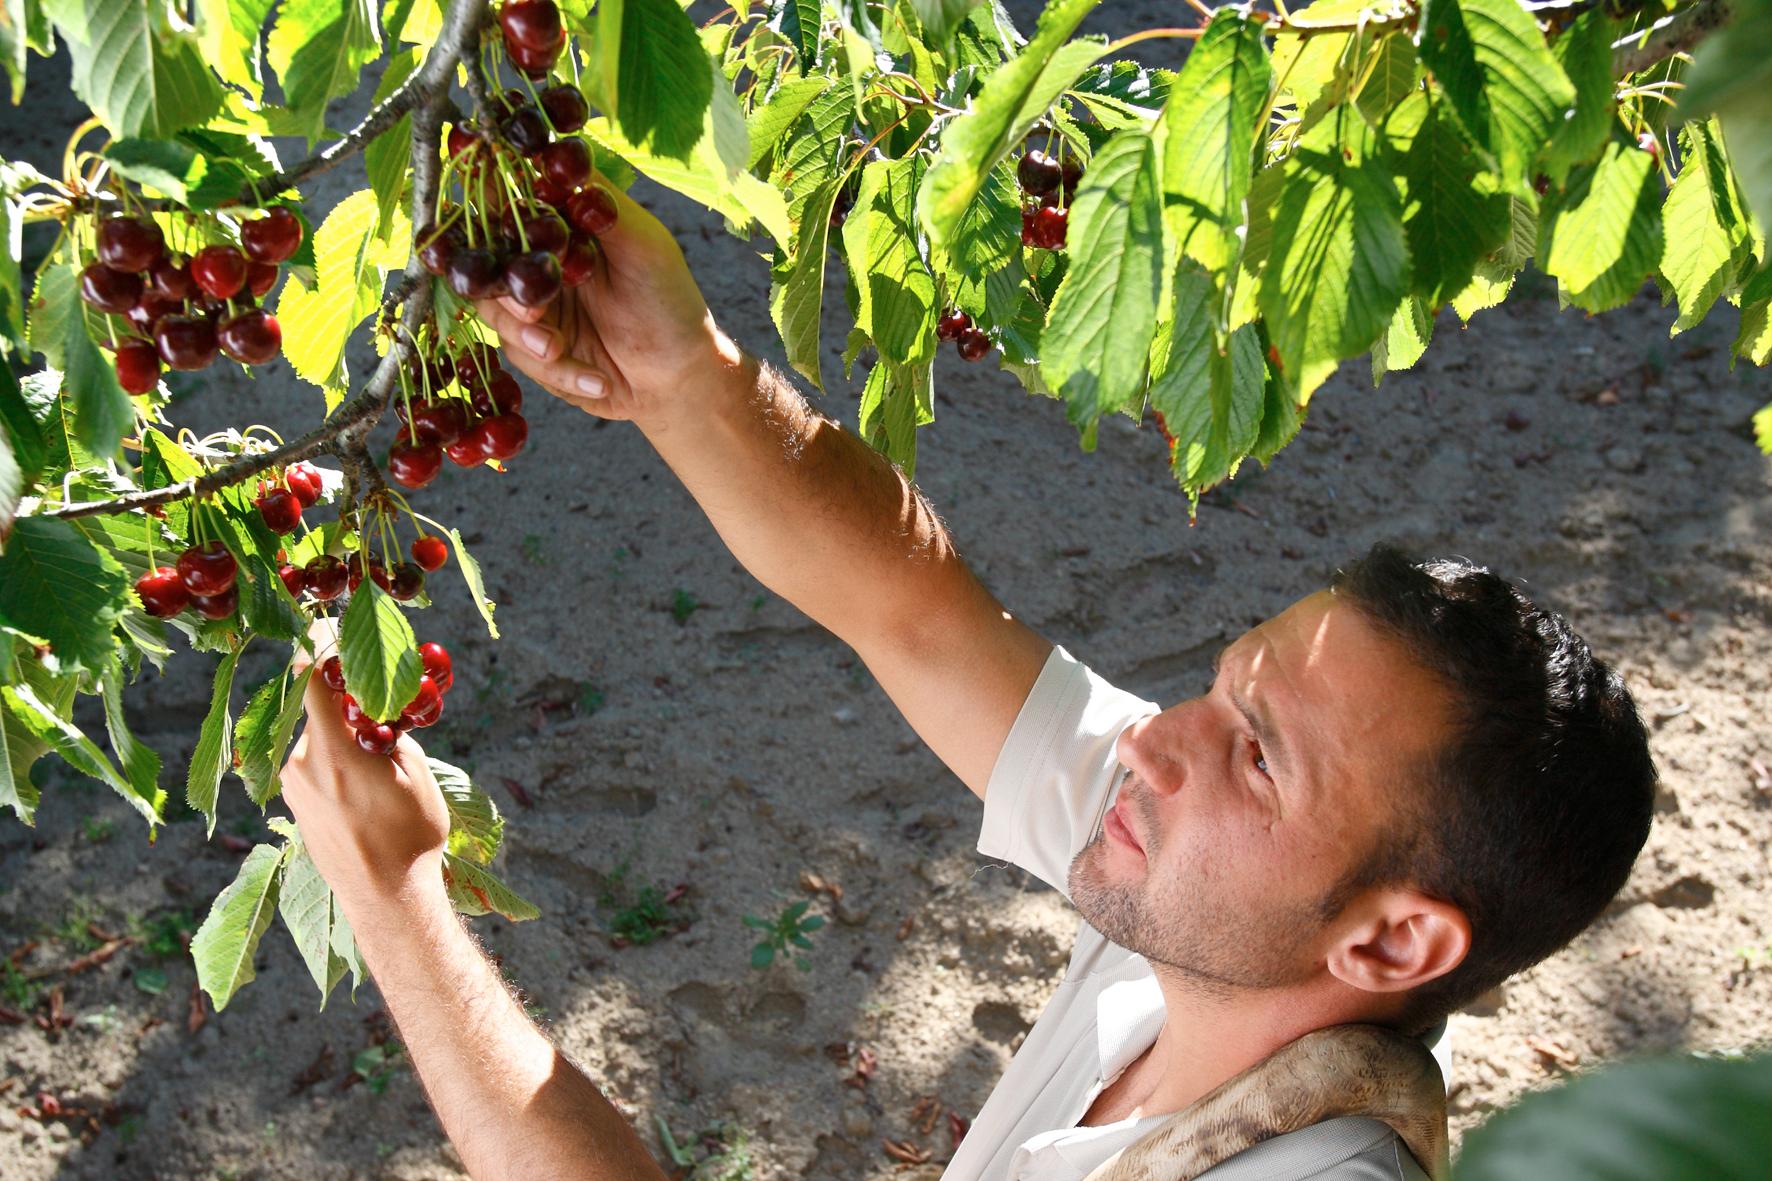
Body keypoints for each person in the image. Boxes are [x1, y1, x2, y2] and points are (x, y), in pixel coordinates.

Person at [279, 181, 1658, 1181]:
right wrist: (680, 372)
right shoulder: (1205, 918)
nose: (1159, 741)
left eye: (1255, 752)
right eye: (1225, 690)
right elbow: (914, 606)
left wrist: (398, 899)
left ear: (1391, 943)